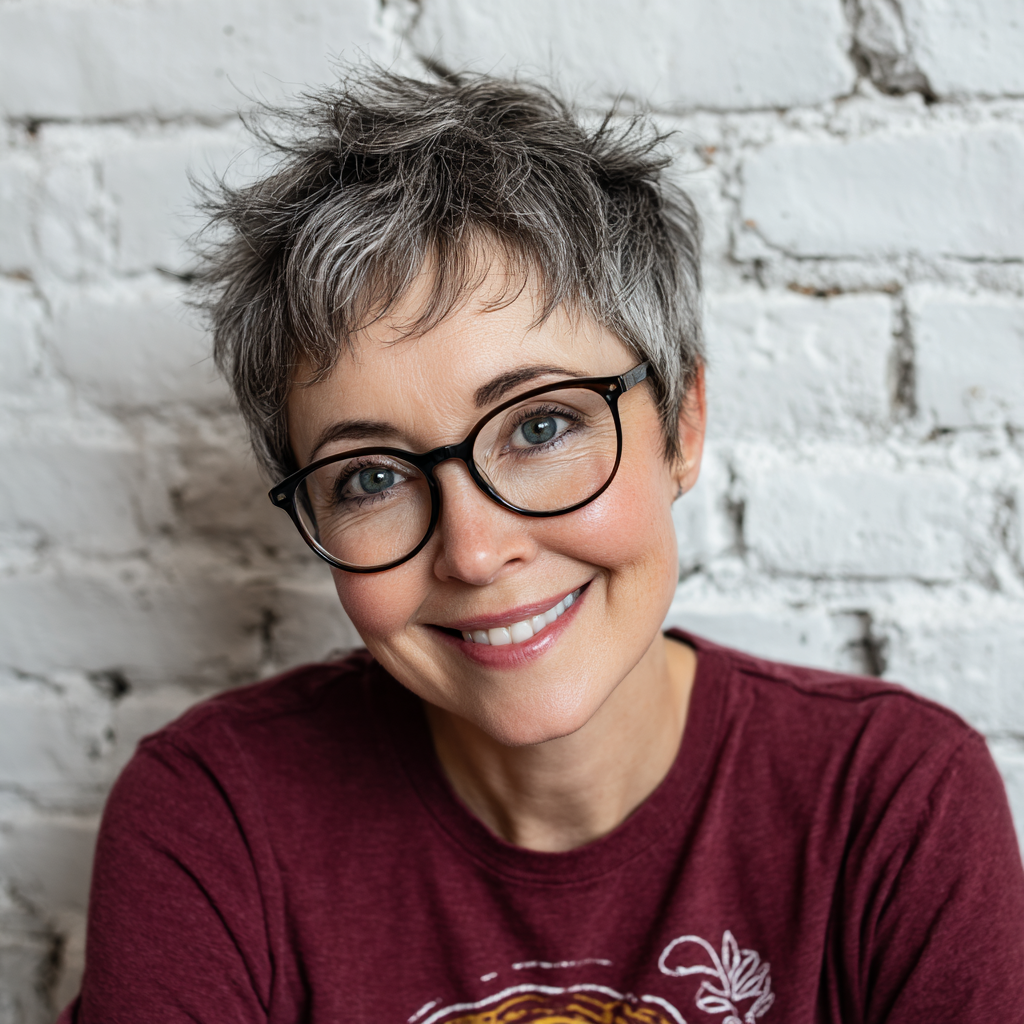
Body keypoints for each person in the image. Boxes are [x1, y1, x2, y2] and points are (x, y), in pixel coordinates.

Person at [61, 68, 1024, 1024]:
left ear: (680, 425)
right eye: (373, 479)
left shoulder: (892, 801)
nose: (474, 554)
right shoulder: (214, 818)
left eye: (540, 428)